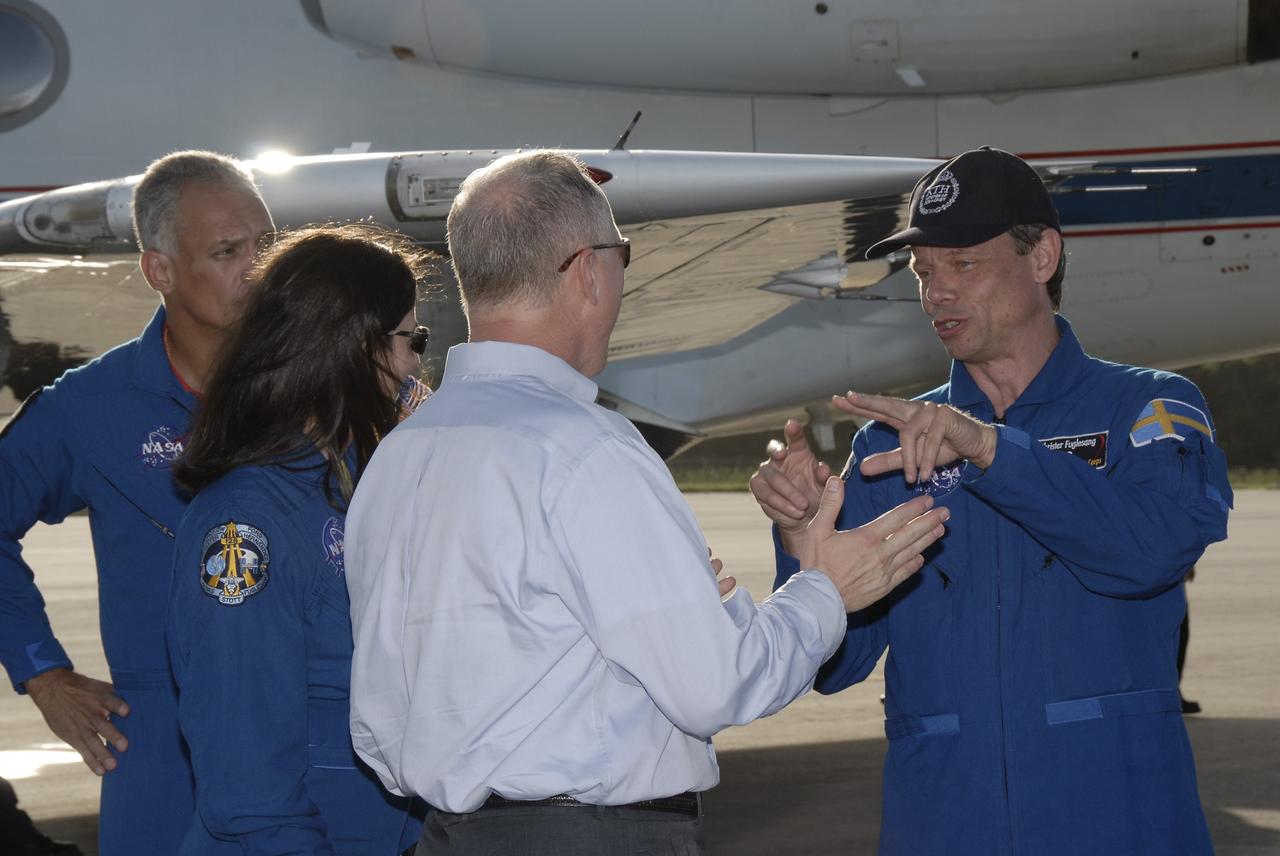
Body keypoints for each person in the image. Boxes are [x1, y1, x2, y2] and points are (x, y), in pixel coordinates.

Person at [344, 150, 950, 856]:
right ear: (588, 270)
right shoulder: (585, 451)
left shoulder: (399, 455)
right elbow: (718, 685)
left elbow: (395, 715)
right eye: (621, 253)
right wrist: (826, 591)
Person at [751, 146, 1233, 855]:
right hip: (945, 825)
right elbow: (833, 667)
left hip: (1118, 825)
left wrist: (992, 450)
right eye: (923, 272)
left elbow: (1150, 551)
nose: (936, 292)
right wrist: (802, 543)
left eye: (963, 265)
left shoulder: (1149, 407)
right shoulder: (891, 446)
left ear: (1042, 259)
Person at [0, 151, 273, 855]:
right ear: (161, 270)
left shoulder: (325, 391)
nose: (258, 268)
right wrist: (43, 672)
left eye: (267, 244)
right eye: (228, 251)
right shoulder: (91, 408)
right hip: (160, 750)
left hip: (311, 732)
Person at [166, 225, 431, 853]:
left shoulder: (357, 487)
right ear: (353, 347)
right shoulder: (243, 529)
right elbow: (248, 779)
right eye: (412, 339)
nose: (418, 362)